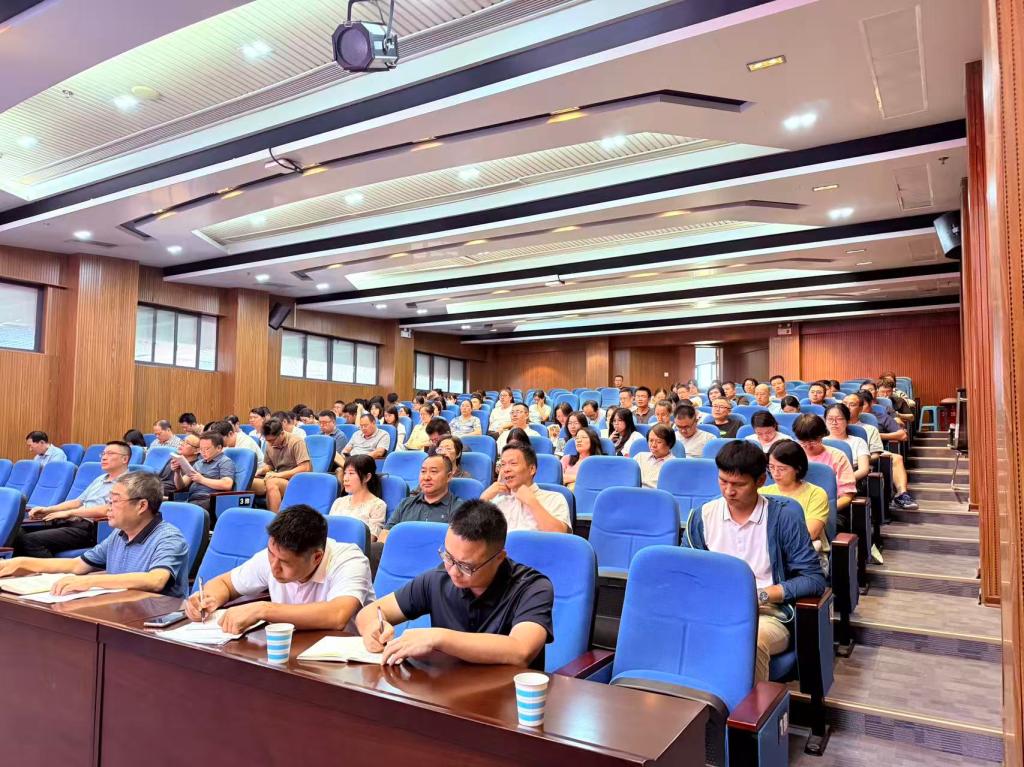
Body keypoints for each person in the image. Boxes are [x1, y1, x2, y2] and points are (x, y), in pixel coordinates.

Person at [683, 441, 825, 681]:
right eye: (723, 481)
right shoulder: (703, 516)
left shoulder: (783, 518)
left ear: (760, 481)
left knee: (747, 641)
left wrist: (762, 595)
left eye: (739, 485)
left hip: (768, 613)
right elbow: (686, 573)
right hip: (715, 608)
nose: (729, 491)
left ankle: (747, 706)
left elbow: (813, 579)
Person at [356, 500, 553, 669]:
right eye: (448, 556)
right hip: (447, 691)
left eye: (466, 566)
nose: (453, 571)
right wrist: (373, 628)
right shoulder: (438, 578)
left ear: (499, 558)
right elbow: (369, 612)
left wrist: (438, 639)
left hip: (509, 696)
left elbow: (521, 651)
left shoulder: (532, 587)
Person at [186, 504, 374, 633]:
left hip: (343, 660)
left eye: (285, 563)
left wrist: (263, 610)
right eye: (271, 553)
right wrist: (208, 599)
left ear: (317, 557)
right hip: (290, 649)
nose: (274, 567)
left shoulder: (349, 560)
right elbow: (225, 583)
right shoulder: (275, 555)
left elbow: (337, 615)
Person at [0, 471, 189, 599]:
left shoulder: (169, 537)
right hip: (120, 608)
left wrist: (89, 581)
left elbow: (155, 580)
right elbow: (77, 565)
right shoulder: (119, 534)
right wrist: (20, 562)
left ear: (141, 506)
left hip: (155, 619)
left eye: (114, 501)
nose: (108, 508)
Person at [13, 441, 132, 557]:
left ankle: (52, 569)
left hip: (92, 528)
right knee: (16, 531)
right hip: (73, 520)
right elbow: (77, 502)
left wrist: (70, 513)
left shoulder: (128, 483)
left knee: (29, 540)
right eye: (103, 454)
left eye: (110, 454)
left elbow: (109, 509)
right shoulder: (100, 479)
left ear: (124, 459)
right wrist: (48, 509)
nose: (104, 457)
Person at [762, 441, 831, 574]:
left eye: (781, 468)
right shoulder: (762, 493)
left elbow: (811, 533)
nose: (775, 473)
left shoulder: (816, 493)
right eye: (771, 467)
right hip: (768, 554)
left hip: (807, 555)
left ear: (797, 468)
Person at [842, 392, 917, 510]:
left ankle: (902, 494)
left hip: (867, 458)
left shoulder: (869, 428)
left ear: (860, 409)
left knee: (896, 458)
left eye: (852, 405)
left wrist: (861, 461)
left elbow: (877, 452)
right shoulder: (832, 426)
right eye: (844, 404)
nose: (847, 407)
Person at [483, 444, 571, 532]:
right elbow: (477, 534)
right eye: (503, 464)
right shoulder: (498, 501)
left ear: (532, 469)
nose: (506, 469)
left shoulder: (554, 499)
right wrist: (483, 499)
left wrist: (532, 502)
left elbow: (560, 534)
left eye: (513, 463)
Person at [377, 455, 465, 543]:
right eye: (423, 471)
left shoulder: (460, 509)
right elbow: (385, 534)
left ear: (449, 477)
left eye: (433, 472)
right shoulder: (405, 504)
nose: (426, 478)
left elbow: (459, 545)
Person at [792, 415, 856, 526]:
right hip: (796, 511)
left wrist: (821, 511)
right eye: (803, 442)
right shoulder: (792, 456)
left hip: (830, 512)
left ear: (822, 436)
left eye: (813, 441)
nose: (808, 446)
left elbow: (847, 496)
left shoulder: (837, 457)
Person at [252, 418, 311, 513]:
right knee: (249, 482)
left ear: (282, 434)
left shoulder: (296, 442)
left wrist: (278, 475)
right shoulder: (269, 443)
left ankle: (275, 520)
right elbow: (270, 466)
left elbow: (305, 468)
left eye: (272, 440)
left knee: (272, 483)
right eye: (267, 441)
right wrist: (260, 471)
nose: (270, 443)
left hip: (296, 482)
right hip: (277, 477)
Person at [172, 431, 235, 513]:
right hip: (192, 499)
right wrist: (177, 472)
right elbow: (180, 486)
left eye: (207, 449)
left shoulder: (225, 462)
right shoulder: (199, 463)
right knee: (168, 509)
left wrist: (202, 479)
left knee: (182, 513)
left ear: (219, 448)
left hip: (209, 500)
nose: (203, 452)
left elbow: (227, 484)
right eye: (201, 449)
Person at [329, 454, 387, 539]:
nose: (345, 478)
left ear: (367, 477)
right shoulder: (338, 502)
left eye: (351, 473)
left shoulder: (378, 505)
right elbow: (328, 531)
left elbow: (369, 540)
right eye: (345, 473)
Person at [824, 404, 870, 481]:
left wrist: (842, 482)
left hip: (850, 480)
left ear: (848, 421)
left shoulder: (858, 442)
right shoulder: (819, 442)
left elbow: (864, 469)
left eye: (839, 419)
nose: (834, 422)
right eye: (830, 419)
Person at [561, 427, 603, 491]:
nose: (579, 440)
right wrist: (582, 478)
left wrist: (571, 478)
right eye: (577, 438)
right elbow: (558, 478)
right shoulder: (567, 459)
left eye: (583, 437)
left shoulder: (600, 461)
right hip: (565, 492)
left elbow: (596, 481)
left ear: (593, 440)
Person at [637, 424, 675, 488]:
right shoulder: (640, 457)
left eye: (659, 442)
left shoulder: (673, 464)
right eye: (651, 440)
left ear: (669, 443)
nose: (653, 445)